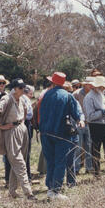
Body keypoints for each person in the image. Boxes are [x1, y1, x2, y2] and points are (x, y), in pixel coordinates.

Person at [0, 78, 36, 200]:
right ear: (14, 88)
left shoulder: (21, 99)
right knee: (18, 162)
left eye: (24, 87)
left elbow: (25, 112)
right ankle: (28, 192)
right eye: (20, 88)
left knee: (20, 161)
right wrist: (1, 126)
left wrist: (22, 122)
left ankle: (12, 191)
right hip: (11, 131)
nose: (23, 90)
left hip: (21, 129)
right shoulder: (7, 99)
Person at [39, 72, 85, 200]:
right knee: (60, 161)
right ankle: (56, 189)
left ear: (52, 82)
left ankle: (50, 187)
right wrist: (80, 120)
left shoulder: (45, 95)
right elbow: (76, 113)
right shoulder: (67, 96)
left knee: (51, 161)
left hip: (45, 133)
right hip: (61, 133)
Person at [83, 76, 105, 176]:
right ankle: (96, 173)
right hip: (95, 126)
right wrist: (104, 110)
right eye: (102, 87)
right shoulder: (89, 97)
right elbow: (90, 116)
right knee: (96, 150)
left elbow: (104, 112)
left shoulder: (101, 95)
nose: (104, 89)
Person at [72, 76, 94, 174]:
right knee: (78, 146)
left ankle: (89, 167)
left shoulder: (93, 94)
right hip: (78, 123)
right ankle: (76, 168)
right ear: (86, 84)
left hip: (89, 122)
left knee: (89, 145)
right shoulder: (76, 94)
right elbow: (72, 108)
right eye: (90, 84)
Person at [0, 74, 12, 185]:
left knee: (7, 153)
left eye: (3, 83)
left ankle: (8, 179)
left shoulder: (7, 96)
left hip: (5, 126)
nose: (1, 85)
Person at [23, 85, 35, 181]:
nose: (32, 96)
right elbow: (29, 115)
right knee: (26, 152)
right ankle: (27, 176)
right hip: (25, 124)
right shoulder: (25, 99)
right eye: (31, 93)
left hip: (25, 124)